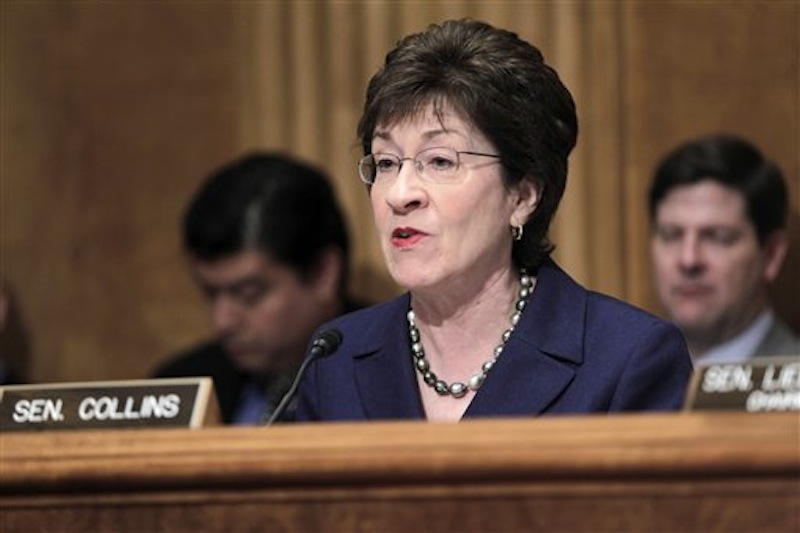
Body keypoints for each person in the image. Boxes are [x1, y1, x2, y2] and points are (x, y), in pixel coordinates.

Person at [295, 19, 693, 423]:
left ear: (522, 196)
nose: (400, 194)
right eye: (386, 163)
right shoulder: (336, 358)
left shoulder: (628, 358)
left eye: (440, 161)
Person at [153, 152, 362, 424]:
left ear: (323, 273)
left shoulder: (397, 373)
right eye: (210, 293)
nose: (223, 321)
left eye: (248, 295)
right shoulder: (180, 387)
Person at [649, 133, 800, 365]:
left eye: (717, 237)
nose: (688, 260)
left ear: (771, 255)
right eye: (672, 235)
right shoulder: (624, 378)